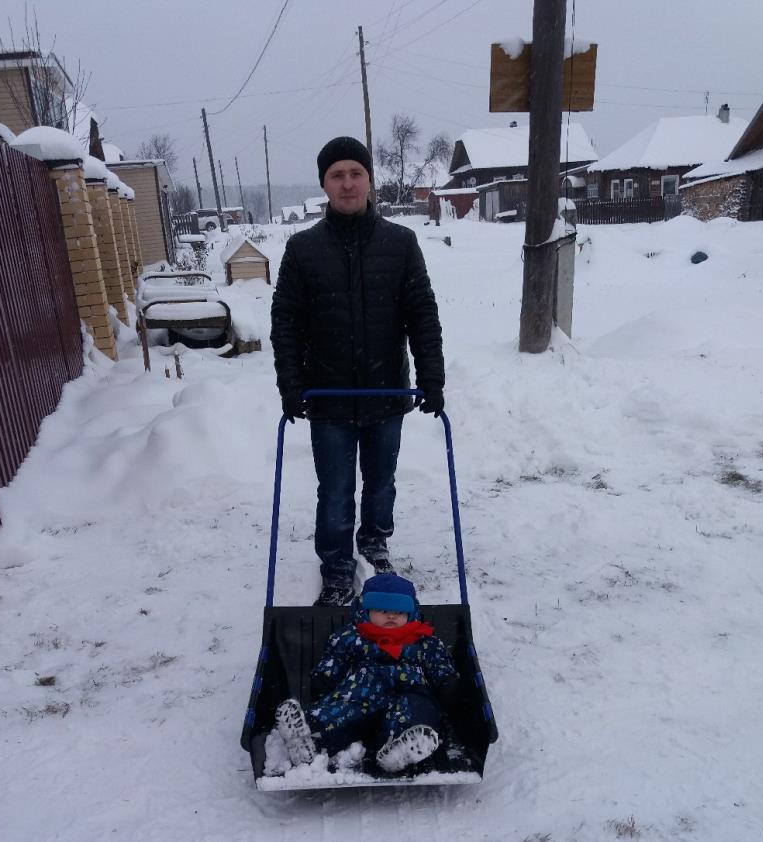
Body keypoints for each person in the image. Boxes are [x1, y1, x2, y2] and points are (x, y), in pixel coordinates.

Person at [271, 136, 445, 606]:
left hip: (385, 391)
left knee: (381, 480)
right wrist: (292, 384)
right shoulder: (303, 250)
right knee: (335, 489)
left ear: (369, 179)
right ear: (324, 185)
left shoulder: (400, 243)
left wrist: (432, 377)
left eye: (355, 173)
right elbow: (285, 321)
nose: (347, 183)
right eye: (336, 175)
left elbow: (421, 314)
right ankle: (337, 566)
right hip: (327, 397)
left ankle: (373, 543)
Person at [274, 574, 462, 774]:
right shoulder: (350, 637)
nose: (391, 616)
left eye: (399, 611)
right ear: (365, 610)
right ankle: (309, 738)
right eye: (382, 611)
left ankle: (397, 750)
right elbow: (334, 658)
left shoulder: (424, 641)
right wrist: (324, 676)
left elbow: (440, 665)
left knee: (418, 711)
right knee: (341, 710)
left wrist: (447, 684)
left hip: (410, 692)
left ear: (411, 612)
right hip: (361, 692)